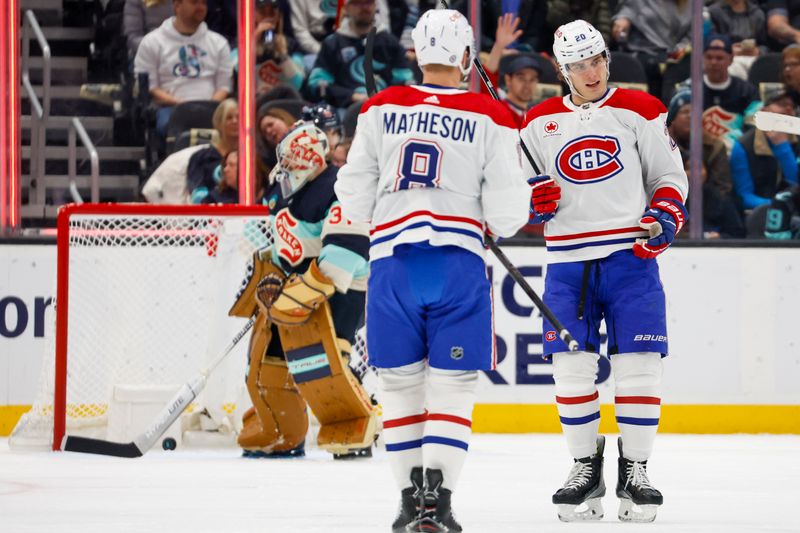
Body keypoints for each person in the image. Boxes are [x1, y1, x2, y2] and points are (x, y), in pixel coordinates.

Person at [335, 9, 530, 532]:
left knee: (399, 391)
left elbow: (352, 201)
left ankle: (406, 503)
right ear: (467, 57)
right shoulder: (492, 115)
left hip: (393, 267)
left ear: (417, 53)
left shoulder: (379, 108)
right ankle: (437, 504)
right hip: (457, 264)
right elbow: (510, 214)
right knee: (452, 388)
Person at [520, 20, 688, 523]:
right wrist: (533, 202)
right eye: (577, 65)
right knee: (570, 367)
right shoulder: (538, 121)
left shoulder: (641, 109)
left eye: (595, 61)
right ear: (561, 68)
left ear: (606, 59)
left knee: (640, 363)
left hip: (630, 259)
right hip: (568, 262)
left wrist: (665, 216)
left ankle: (635, 469)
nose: (589, 72)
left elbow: (668, 177)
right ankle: (583, 465)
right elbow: (515, 192)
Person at [232, 121, 377, 460]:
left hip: (339, 290)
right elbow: (282, 241)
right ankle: (281, 429)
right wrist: (268, 272)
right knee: (269, 360)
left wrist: (309, 289)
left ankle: (352, 427)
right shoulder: (288, 190)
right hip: (293, 289)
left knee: (323, 363)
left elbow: (348, 245)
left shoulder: (339, 186)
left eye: (290, 163)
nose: (285, 171)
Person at [133, 0, 234, 137]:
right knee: (175, 124)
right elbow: (151, 87)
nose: (201, 7)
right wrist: (184, 105)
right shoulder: (152, 42)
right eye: (194, 2)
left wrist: (206, 108)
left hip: (212, 108)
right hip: (171, 108)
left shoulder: (219, 43)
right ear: (177, 5)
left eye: (203, 3)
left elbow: (224, 87)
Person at [666, 89, 745, 237]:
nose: (690, 116)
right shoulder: (660, 144)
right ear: (673, 118)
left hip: (708, 205)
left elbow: (723, 186)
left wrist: (704, 189)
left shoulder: (715, 145)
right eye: (685, 111)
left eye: (695, 112)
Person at [307, 0, 413, 109]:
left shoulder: (389, 42)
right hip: (345, 109)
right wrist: (353, 97)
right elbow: (318, 84)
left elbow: (405, 81)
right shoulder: (332, 44)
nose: (364, 8)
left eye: (368, 2)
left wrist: (384, 98)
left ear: (375, 5)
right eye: (357, 3)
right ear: (346, 8)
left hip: (385, 110)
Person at [730, 88, 799, 209]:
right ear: (764, 111)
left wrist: (783, 148)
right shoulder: (744, 146)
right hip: (759, 213)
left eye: (792, 106)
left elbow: (796, 183)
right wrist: (776, 205)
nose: (788, 109)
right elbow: (744, 196)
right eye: (782, 104)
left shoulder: (797, 141)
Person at [187, 98, 239, 203]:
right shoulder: (201, 157)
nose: (235, 121)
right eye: (229, 118)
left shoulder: (252, 155)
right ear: (218, 123)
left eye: (238, 117)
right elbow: (197, 193)